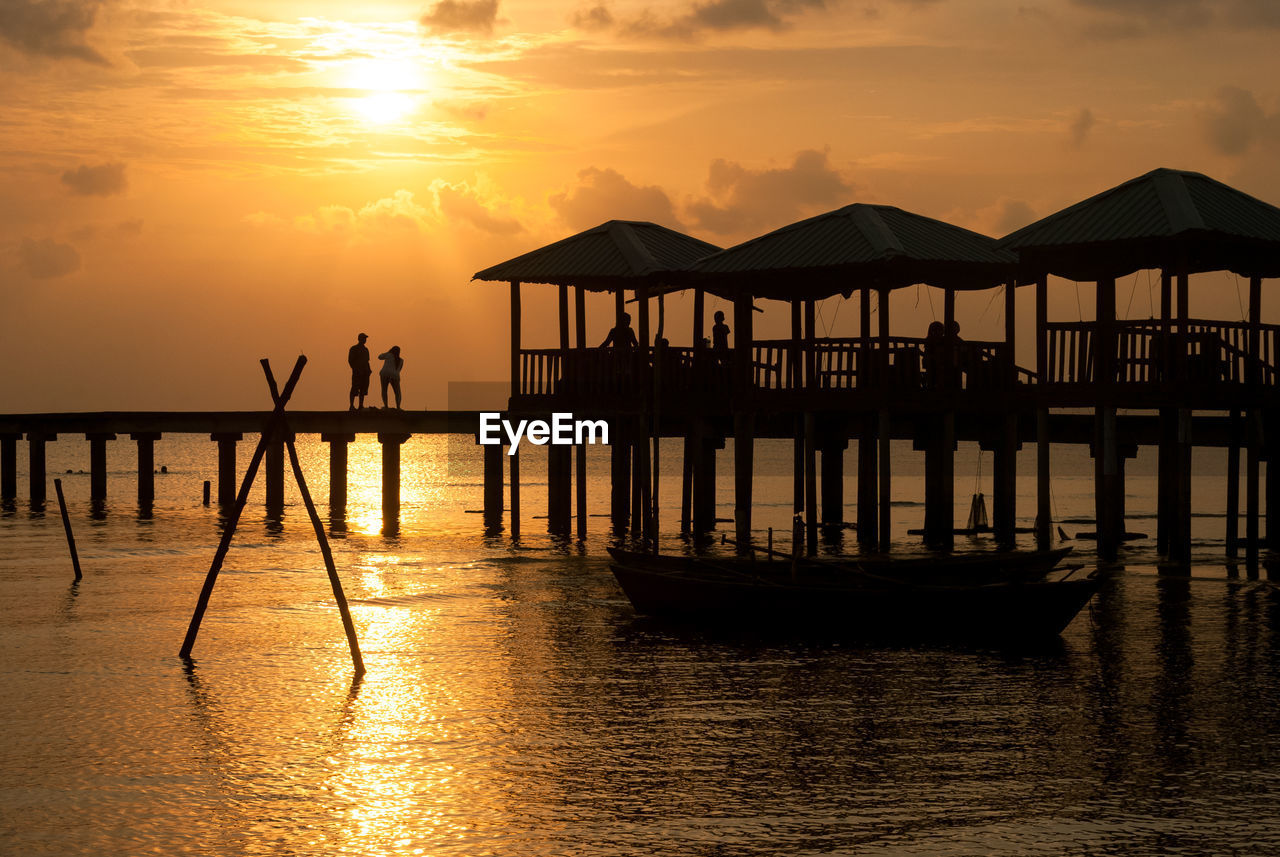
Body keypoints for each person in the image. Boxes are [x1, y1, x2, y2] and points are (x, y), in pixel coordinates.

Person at [348, 333, 372, 410]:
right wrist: (355, 369)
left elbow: (367, 361)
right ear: (359, 339)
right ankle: (351, 405)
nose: (364, 340)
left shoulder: (366, 350)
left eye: (365, 338)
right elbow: (350, 361)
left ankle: (360, 405)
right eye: (363, 338)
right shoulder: (354, 348)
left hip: (365, 372)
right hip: (357, 372)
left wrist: (369, 370)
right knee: (354, 388)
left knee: (363, 389)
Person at [378, 345, 403, 409]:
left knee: (384, 390)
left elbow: (379, 357)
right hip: (394, 375)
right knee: (397, 392)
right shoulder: (401, 360)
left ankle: (386, 405)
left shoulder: (388, 355)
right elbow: (399, 370)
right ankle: (398, 406)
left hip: (384, 374)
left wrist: (388, 352)